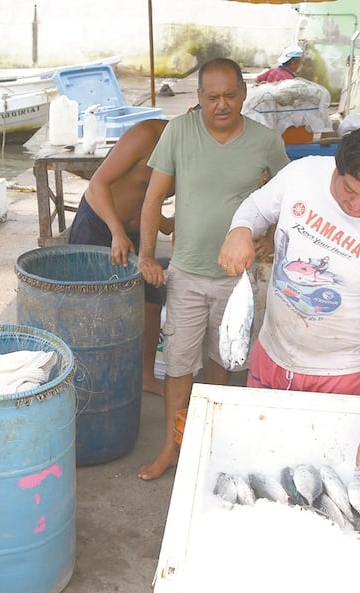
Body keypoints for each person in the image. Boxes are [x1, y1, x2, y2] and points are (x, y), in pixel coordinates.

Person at [218, 119, 360, 494]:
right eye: (348, 190)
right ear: (337, 166)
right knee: (261, 463)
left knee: (321, 479)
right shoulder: (303, 174)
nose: (357, 205)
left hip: (342, 377)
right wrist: (240, 230)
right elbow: (255, 207)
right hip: (271, 354)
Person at [137, 58, 290, 481]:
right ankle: (172, 445)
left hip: (237, 279)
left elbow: (289, 198)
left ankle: (210, 443)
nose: (221, 105)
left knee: (222, 362)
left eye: (230, 95)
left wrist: (270, 236)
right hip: (186, 272)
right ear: (199, 97)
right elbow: (152, 201)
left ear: (243, 93)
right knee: (180, 365)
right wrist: (147, 256)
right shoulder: (178, 131)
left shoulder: (265, 141)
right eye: (212, 97)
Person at [67, 117, 173, 396]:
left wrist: (170, 226)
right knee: (88, 304)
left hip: (138, 235)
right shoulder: (146, 135)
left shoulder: (196, 151)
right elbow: (97, 184)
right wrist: (116, 232)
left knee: (151, 303)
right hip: (99, 224)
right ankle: (81, 375)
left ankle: (146, 376)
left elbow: (150, 198)